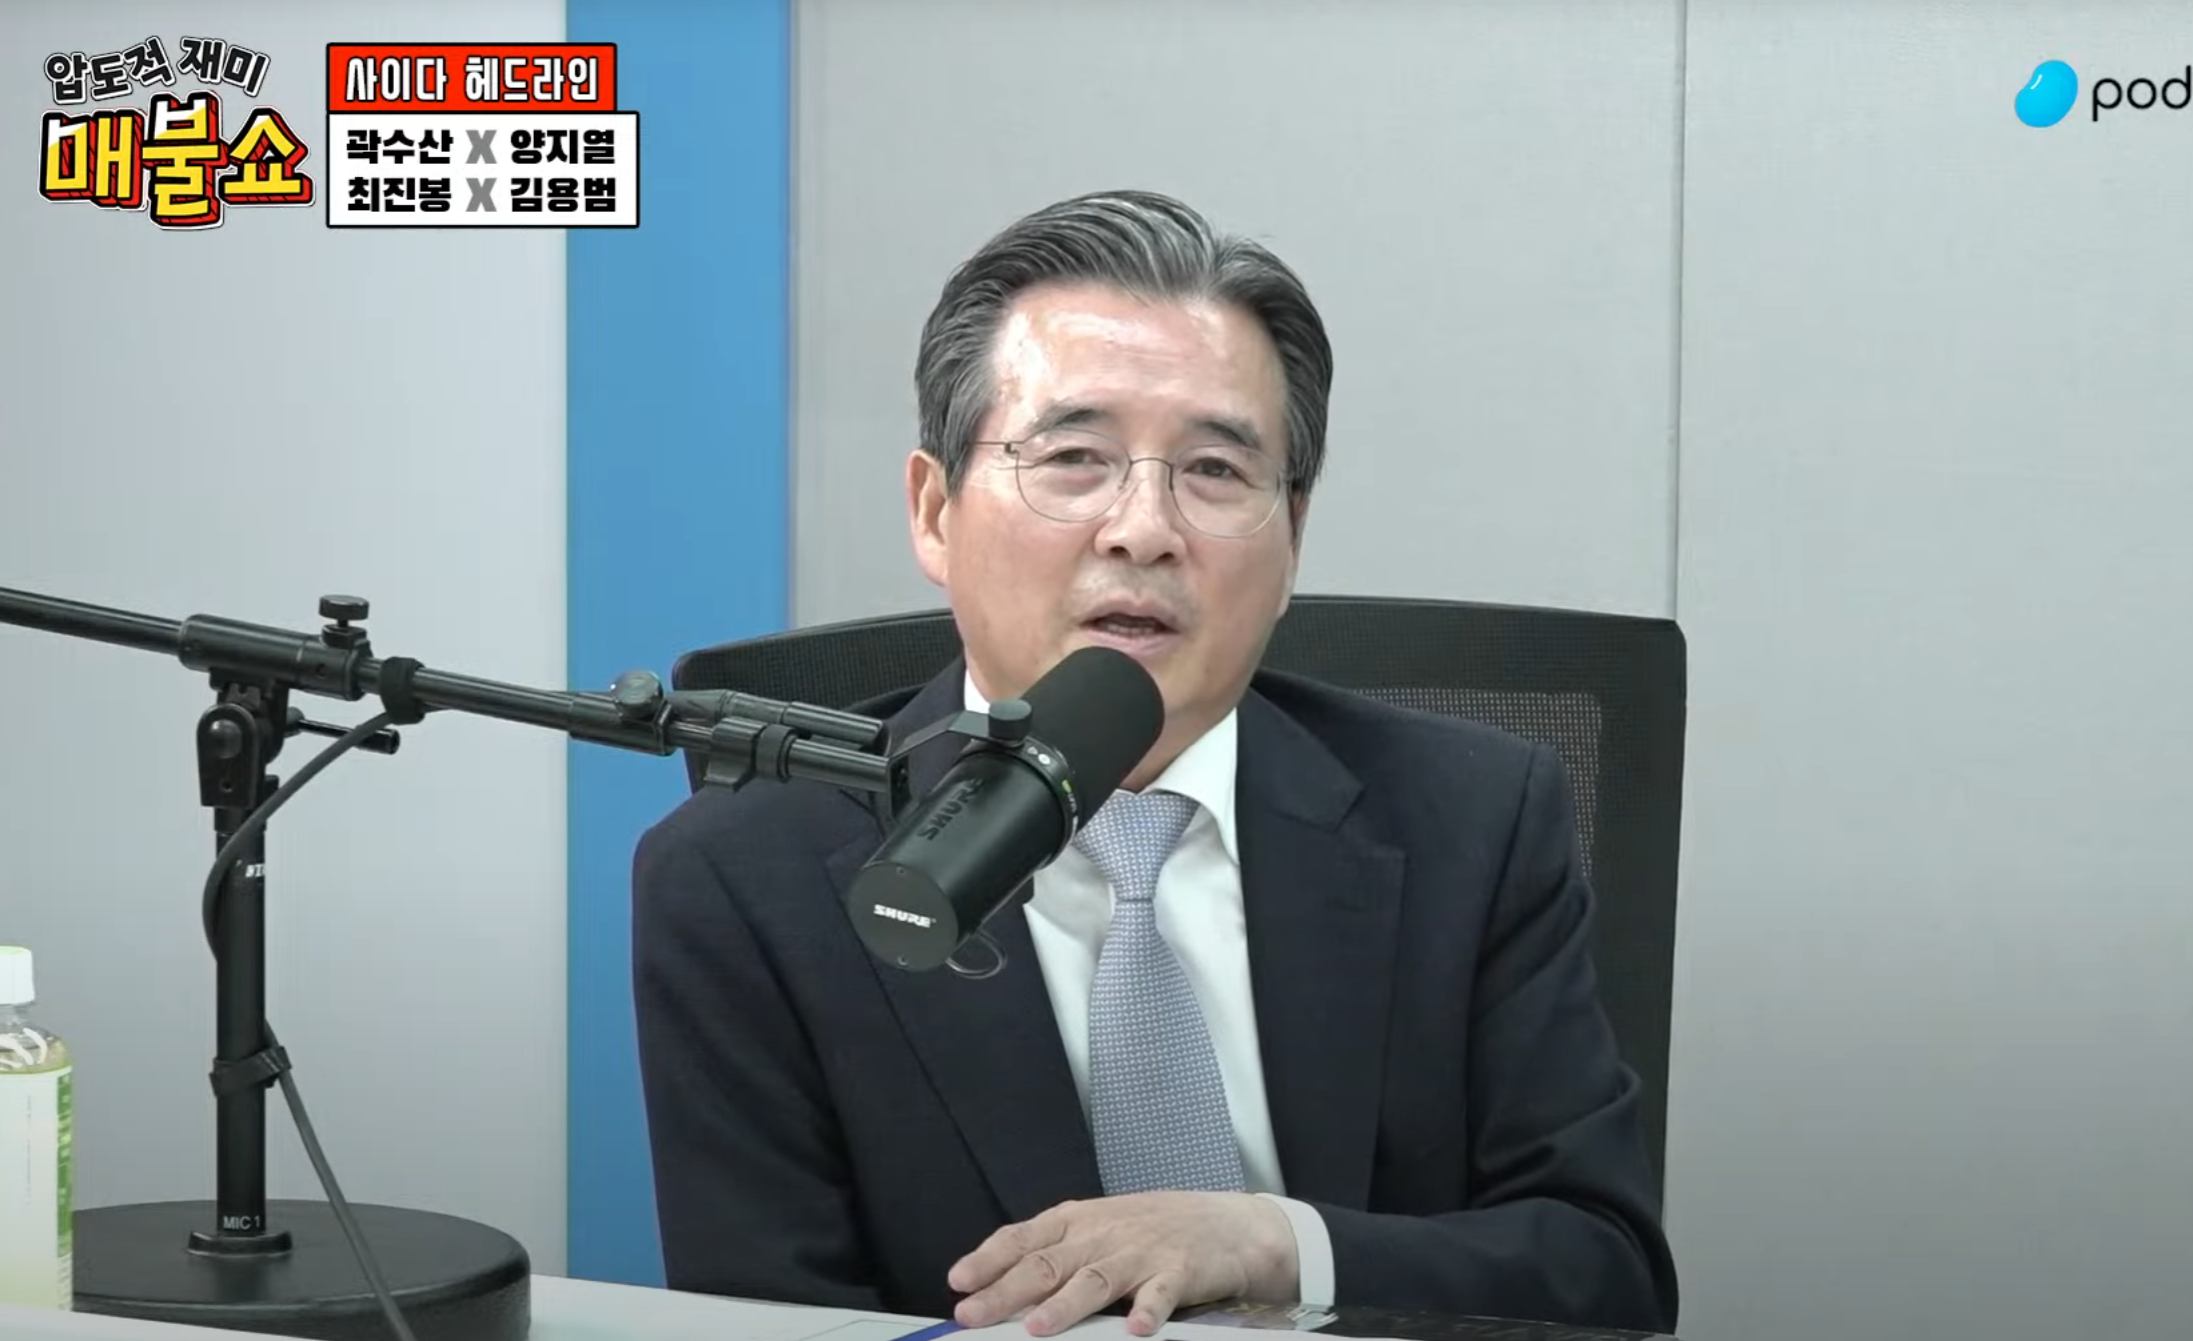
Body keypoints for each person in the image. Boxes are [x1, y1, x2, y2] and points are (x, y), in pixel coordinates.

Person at [630, 189, 1679, 1337]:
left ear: (1292, 537)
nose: (1142, 528)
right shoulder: (747, 879)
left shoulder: (1472, 821)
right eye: (1073, 457)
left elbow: (1603, 1274)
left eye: (1215, 471)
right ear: (933, 511)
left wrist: (1276, 1243)